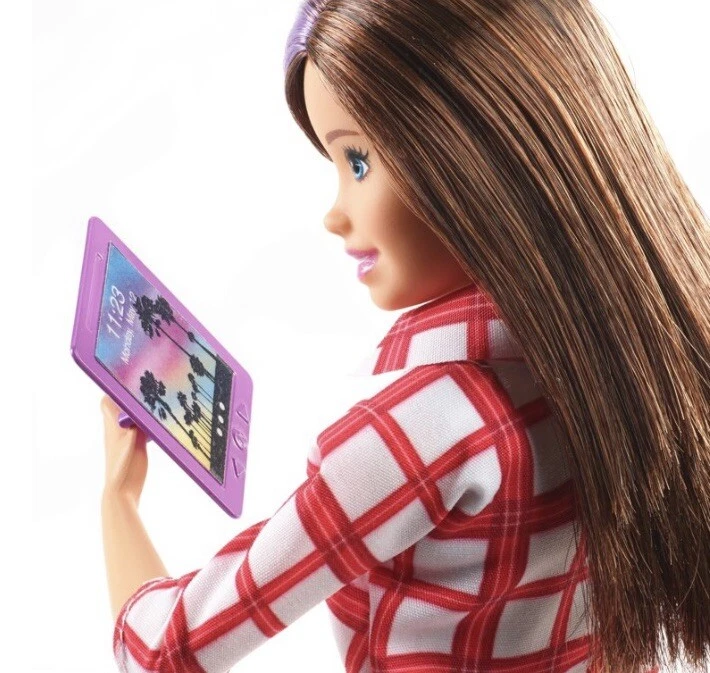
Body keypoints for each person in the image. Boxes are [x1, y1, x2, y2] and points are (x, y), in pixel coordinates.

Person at [101, 1, 710, 672]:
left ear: (475, 156)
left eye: (358, 161)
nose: (335, 214)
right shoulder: (635, 354)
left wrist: (118, 497)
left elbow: (162, 651)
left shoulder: (425, 428)